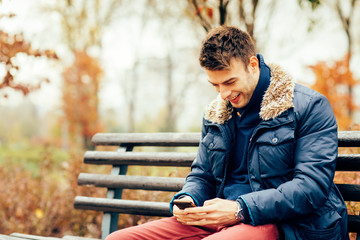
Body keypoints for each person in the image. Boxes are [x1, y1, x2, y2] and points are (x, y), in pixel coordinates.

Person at [105, 26, 349, 240]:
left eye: (230, 82)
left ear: (252, 64)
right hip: (219, 222)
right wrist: (189, 199)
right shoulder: (216, 115)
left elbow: (310, 188)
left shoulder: (309, 107)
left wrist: (239, 209)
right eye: (215, 85)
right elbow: (202, 175)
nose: (223, 94)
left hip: (285, 226)